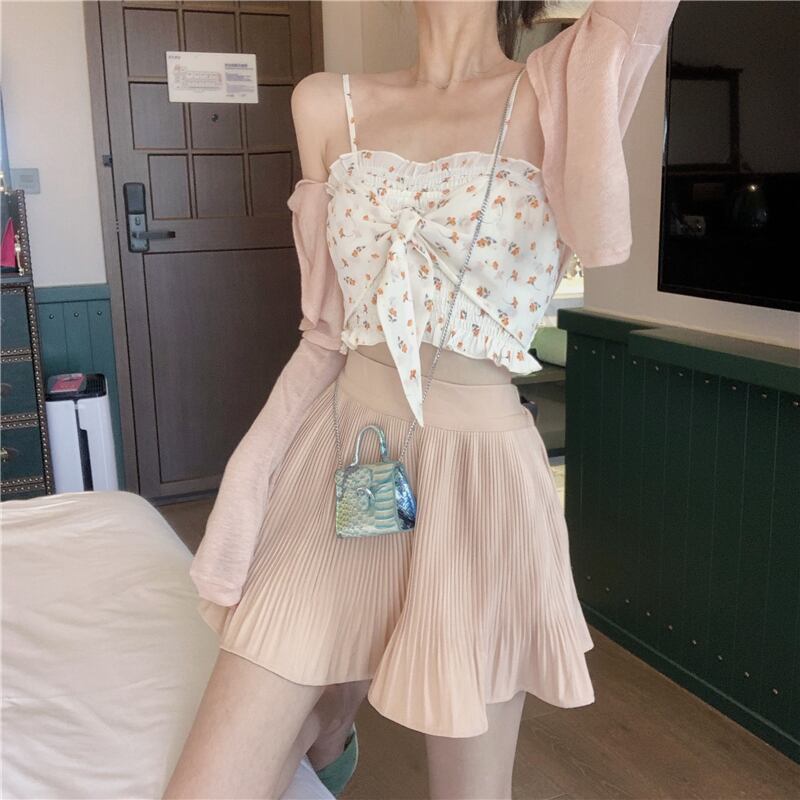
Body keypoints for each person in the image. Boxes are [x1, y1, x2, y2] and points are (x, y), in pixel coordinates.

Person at [165, 1, 680, 798]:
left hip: (482, 480)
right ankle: (333, 722)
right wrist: (252, 473)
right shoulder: (324, 101)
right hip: (346, 454)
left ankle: (333, 716)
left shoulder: (565, 86)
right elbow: (325, 330)